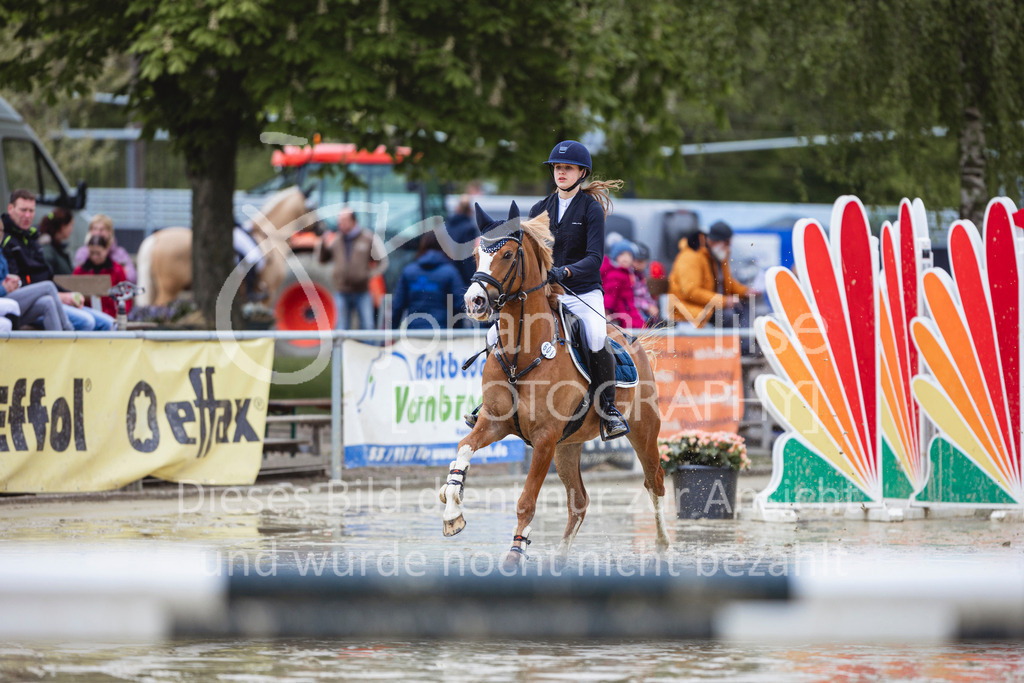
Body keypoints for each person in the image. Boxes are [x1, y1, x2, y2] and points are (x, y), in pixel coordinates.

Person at [469, 139, 629, 440]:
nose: (561, 173)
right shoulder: (540, 208)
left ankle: (609, 409)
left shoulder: (591, 210)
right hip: (546, 290)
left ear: (582, 173)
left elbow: (595, 259)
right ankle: (490, 405)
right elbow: (529, 254)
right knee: (494, 335)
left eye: (567, 168)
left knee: (595, 334)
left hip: (582, 291)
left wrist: (565, 271)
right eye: (557, 168)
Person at [1, 189, 114, 331]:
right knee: (85, 321)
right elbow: (17, 284)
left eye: (31, 210)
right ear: (10, 209)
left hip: (50, 298)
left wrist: (68, 294)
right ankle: (69, 339)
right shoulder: (6, 240)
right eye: (23, 210)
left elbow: (46, 276)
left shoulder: (33, 237)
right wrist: (61, 296)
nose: (27, 215)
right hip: (30, 304)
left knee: (110, 323)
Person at [668, 220, 748, 328]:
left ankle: (742, 344)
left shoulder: (717, 254)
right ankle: (736, 345)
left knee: (745, 307)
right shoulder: (690, 257)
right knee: (729, 316)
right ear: (714, 241)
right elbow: (691, 291)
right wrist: (723, 301)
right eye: (727, 243)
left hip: (709, 306)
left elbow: (726, 281)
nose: (729, 246)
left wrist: (745, 291)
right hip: (689, 308)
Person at [318, 207, 389, 330]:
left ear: (353, 221)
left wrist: (369, 275)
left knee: (367, 325)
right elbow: (322, 260)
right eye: (339, 220)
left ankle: (368, 349)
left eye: (344, 220)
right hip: (341, 291)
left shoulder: (368, 238)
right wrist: (323, 244)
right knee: (341, 327)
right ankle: (341, 350)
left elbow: (382, 262)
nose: (340, 224)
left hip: (362, 291)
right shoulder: (336, 239)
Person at [391, 232, 464, 330]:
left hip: (413, 333)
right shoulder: (450, 272)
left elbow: (397, 306)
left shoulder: (408, 271)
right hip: (441, 332)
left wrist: (393, 331)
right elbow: (458, 305)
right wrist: (456, 331)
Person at [0, 243, 73, 331]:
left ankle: (59, 342)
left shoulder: (1, 252)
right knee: (48, 286)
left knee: (47, 302)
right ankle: (69, 331)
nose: (1, 234)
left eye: (2, 231)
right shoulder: (11, 244)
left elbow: (7, 277)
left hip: (13, 298)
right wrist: (4, 288)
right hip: (5, 299)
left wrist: (13, 282)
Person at [74, 233, 131, 318]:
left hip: (111, 316)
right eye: (92, 253)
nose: (94, 257)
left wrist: (121, 313)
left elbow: (126, 295)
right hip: (87, 316)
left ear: (106, 250)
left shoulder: (116, 270)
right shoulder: (80, 271)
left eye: (98, 253)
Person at [73, 214, 137, 283]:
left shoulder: (119, 254)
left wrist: (121, 271)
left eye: (102, 229)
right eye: (95, 229)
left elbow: (131, 278)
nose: (97, 233)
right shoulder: (82, 253)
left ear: (110, 232)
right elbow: (76, 279)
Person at [601, 239, 644, 329]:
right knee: (637, 328)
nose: (626, 258)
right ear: (615, 257)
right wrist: (606, 311)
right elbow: (610, 295)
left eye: (629, 255)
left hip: (628, 309)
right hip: (622, 312)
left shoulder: (626, 273)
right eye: (622, 254)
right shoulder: (615, 274)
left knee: (641, 326)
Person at [445, 195, 479, 293]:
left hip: (446, 270)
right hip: (460, 275)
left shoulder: (446, 226)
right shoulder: (469, 229)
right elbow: (467, 256)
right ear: (470, 210)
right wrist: (472, 279)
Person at [39, 208, 75, 276]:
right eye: (71, 225)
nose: (71, 230)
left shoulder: (57, 248)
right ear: (63, 226)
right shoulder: (47, 250)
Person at [631, 242, 661, 324]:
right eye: (639, 261)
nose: (642, 264)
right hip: (637, 318)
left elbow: (646, 296)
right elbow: (629, 299)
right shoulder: (629, 277)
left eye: (643, 261)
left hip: (648, 317)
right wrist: (648, 306)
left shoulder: (641, 275)